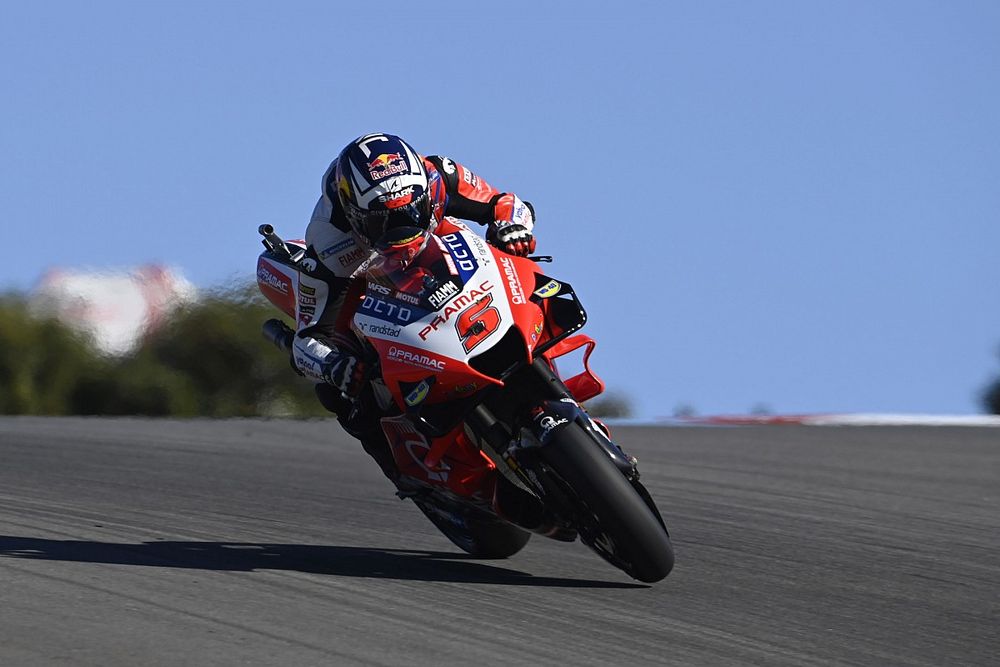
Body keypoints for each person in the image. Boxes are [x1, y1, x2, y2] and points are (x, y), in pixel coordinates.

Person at [290, 132, 536, 479]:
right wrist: (333, 364)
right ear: (355, 214)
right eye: (383, 222)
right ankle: (401, 470)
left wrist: (513, 228)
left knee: (533, 286)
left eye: (410, 212)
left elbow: (506, 202)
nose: (400, 230)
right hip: (369, 283)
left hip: (448, 261)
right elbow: (306, 340)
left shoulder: (438, 175)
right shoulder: (329, 240)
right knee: (347, 390)